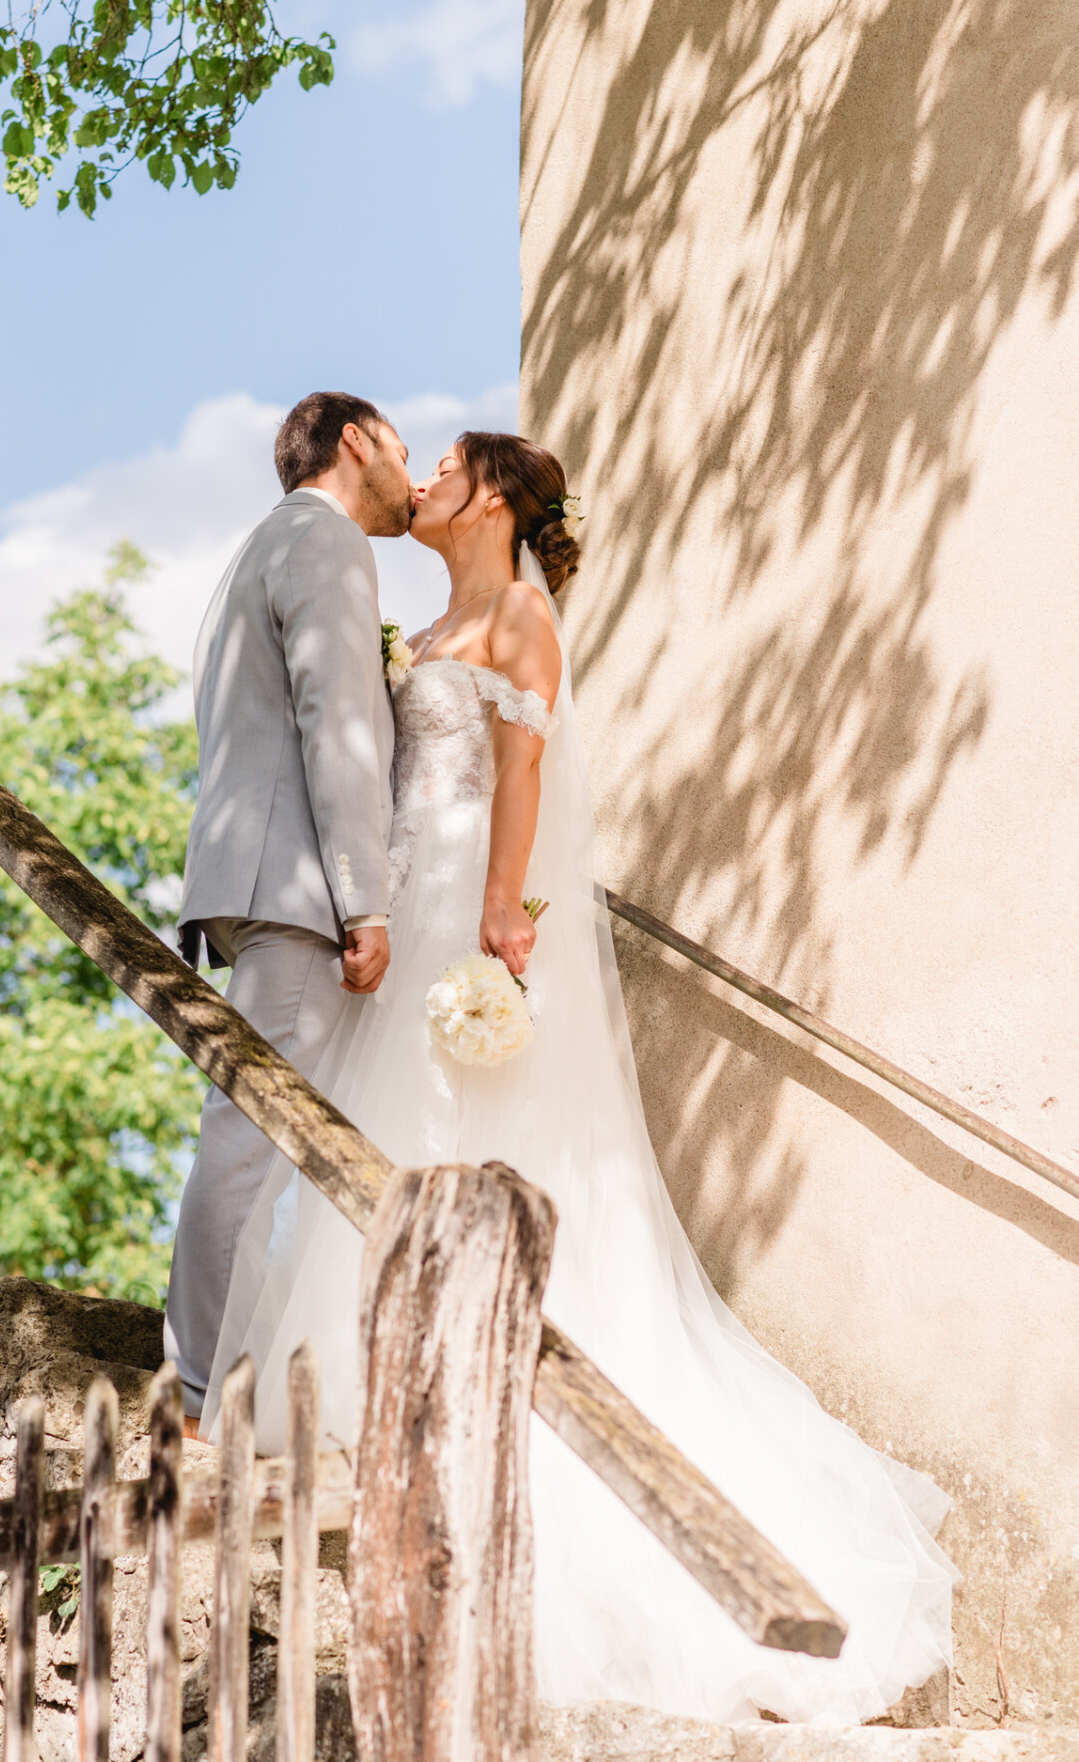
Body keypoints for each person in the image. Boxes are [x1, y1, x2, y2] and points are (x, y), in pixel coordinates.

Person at [202, 431, 956, 1724]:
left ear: (491, 493)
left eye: (444, 465)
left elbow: (523, 772)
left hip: (468, 915)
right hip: (406, 898)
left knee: (465, 1140)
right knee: (386, 1147)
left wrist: (501, 923)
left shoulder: (524, 618)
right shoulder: (426, 628)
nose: (424, 481)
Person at [164, 391, 413, 1435]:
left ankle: (203, 1379)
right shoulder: (328, 542)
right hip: (301, 890)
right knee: (252, 1146)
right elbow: (339, 723)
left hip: (251, 881)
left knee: (247, 1140)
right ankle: (196, 1398)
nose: (411, 472)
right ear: (356, 442)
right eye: (402, 450)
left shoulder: (255, 551)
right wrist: (365, 895)